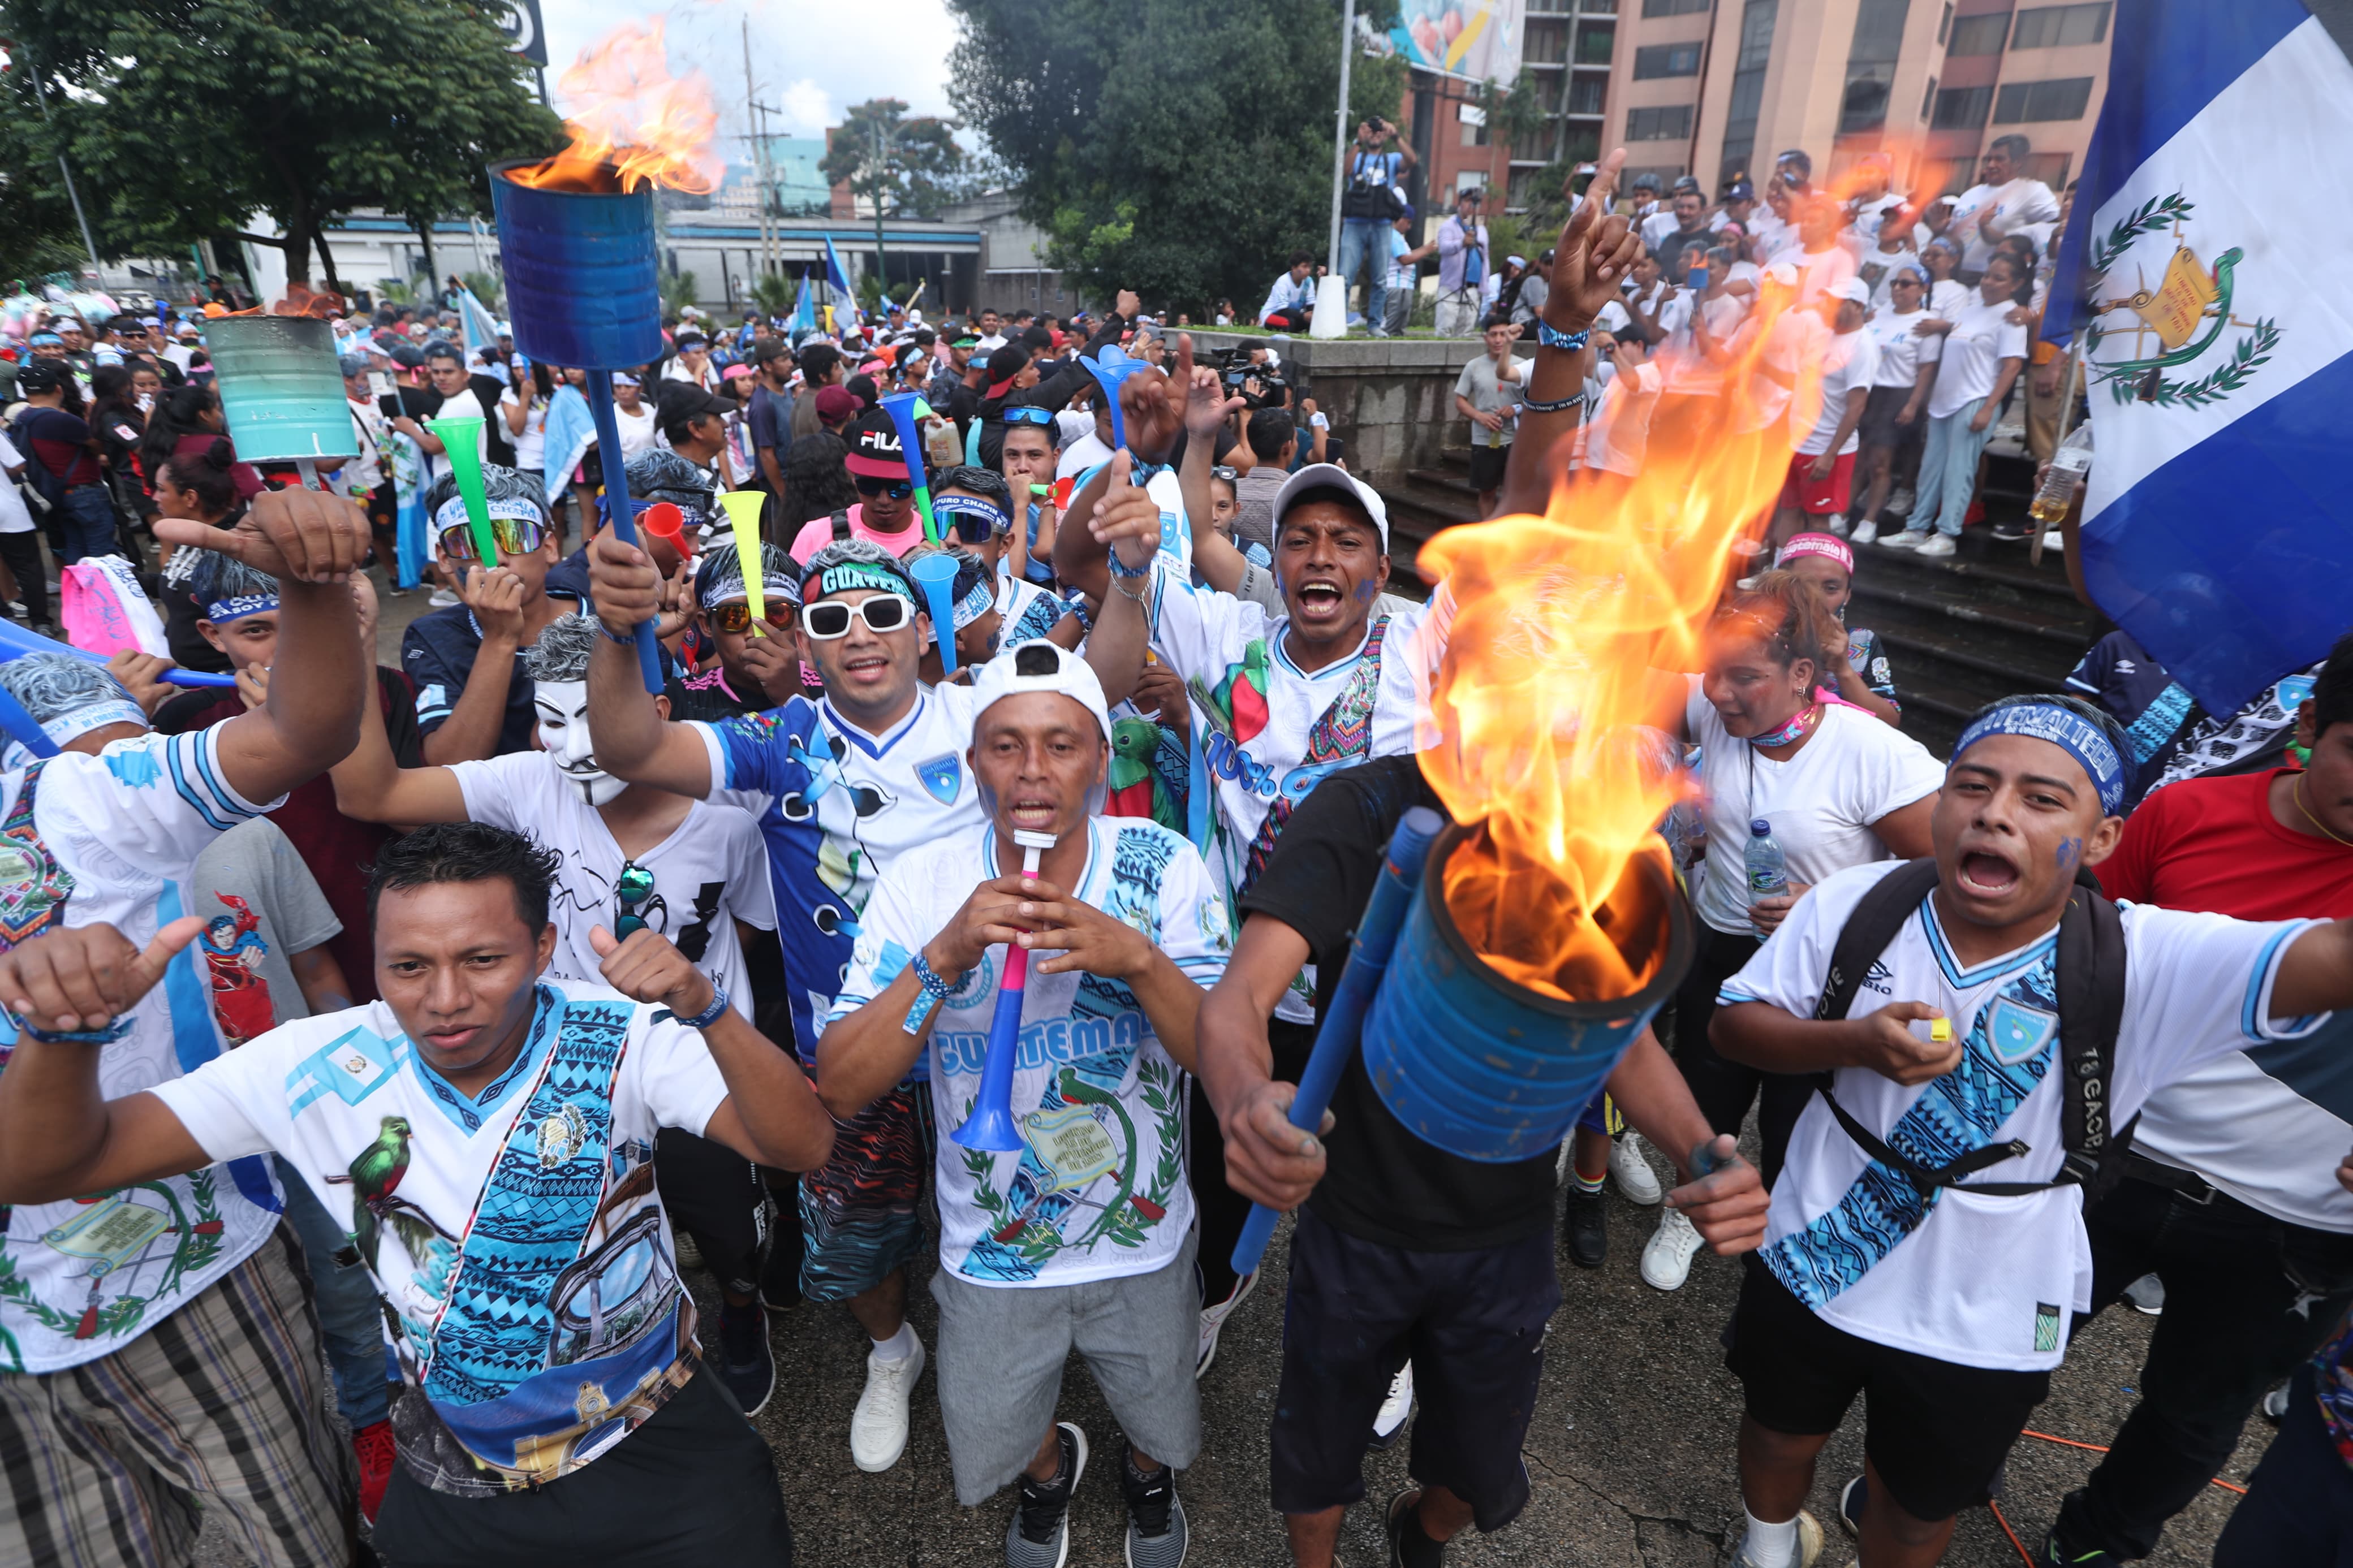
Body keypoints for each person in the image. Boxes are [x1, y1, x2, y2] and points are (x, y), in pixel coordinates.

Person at [0, 822, 836, 1565]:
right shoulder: (305, 1065)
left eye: (483, 959)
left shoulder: (625, 1032)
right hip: (456, 1476)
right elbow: (50, 1168)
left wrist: (708, 1006)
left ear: (544, 948)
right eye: (408, 966)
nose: (444, 1000)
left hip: (660, 1440)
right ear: (374, 959)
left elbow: (799, 1143)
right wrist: (64, 1040)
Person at [1708, 692, 2353, 1568]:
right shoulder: (1856, 904)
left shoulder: (2152, 957)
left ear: (2103, 839)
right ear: (1939, 804)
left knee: (1918, 1503)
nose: (1997, 813)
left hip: (1991, 1302)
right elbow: (1736, 1024)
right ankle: (1766, 1547)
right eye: (1972, 785)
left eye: (2044, 799)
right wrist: (1852, 1042)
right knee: (1778, 1434)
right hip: (1816, 1243)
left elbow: (2334, 960)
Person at [577, 529, 1148, 1474]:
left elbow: (1104, 684)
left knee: (1040, 1199)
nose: (860, 632)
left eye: (883, 611)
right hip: (851, 1048)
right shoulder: (779, 739)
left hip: (995, 1032)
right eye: (831, 618)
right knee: (853, 1231)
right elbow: (628, 742)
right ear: (806, 644)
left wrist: (1129, 572)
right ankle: (893, 1350)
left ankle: (1042, 1333)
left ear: (925, 629)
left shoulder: (978, 715)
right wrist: (614, 626)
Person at [1199, 747, 1770, 1568]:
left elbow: (1619, 1033)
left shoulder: (1593, 824)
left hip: (1503, 1230)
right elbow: (1241, 996)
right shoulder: (1369, 806)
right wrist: (1246, 1097)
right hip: (1358, 1214)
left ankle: (1419, 1530)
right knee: (1318, 1448)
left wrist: (1699, 1150)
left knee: (1480, 1468)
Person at [0, 487, 375, 1568]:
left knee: (300, 1540)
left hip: (196, 1273)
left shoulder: (68, 803)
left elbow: (300, 734)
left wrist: (306, 590)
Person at [817, 643, 1224, 1567]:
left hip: (1143, 1231)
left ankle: (1148, 1476)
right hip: (991, 1247)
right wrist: (945, 954)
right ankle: (1048, 1476)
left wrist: (1141, 960)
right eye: (1005, 745)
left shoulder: (1161, 863)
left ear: (1099, 756)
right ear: (974, 763)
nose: (1034, 771)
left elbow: (1223, 1060)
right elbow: (843, 1083)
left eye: (1062, 744)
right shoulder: (922, 882)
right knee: (997, 1411)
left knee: (1158, 1394)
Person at [330, 612, 786, 1415]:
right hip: (571, 1072)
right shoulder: (526, 785)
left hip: (695, 1067)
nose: (573, 746)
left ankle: (743, 1310)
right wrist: (342, 633)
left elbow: (752, 928)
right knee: (590, 1228)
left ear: (659, 714)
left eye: (594, 719)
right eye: (550, 718)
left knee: (729, 1231)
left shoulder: (729, 818)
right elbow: (372, 792)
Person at [2028, 636, 2353, 1568]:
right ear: (2305, 726)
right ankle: (1942, 1473)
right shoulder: (2185, 812)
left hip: (2300, 1224)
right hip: (2111, 1155)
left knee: (2195, 1412)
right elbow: (2075, 958)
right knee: (2010, 1334)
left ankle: (2099, 1541)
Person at [1640, 573, 1943, 1294]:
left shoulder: (1869, 752)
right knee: (1703, 1098)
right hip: (1719, 949)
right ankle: (1688, 1213)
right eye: (1712, 672)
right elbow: (1600, 675)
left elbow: (1944, 870)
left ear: (1802, 675)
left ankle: (1779, 1248)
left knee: (1795, 1125)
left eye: (1743, 678)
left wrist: (1827, 900)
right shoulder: (1709, 705)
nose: (1717, 693)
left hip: (1819, 977)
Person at [154, 551, 422, 1004]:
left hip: (387, 924)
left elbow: (417, 822)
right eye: (256, 630)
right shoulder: (188, 721)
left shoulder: (386, 689)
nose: (288, 649)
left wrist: (307, 728)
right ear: (214, 635)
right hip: (262, 946)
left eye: (302, 623)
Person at [402, 461, 576, 762]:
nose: (495, 558)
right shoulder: (432, 637)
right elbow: (451, 767)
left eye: (515, 535)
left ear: (549, 547)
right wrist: (499, 638)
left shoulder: (599, 616)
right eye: (468, 541)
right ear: (444, 559)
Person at [1879, 251, 2029, 558]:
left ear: (2016, 284)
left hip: (1974, 401)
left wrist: (1988, 408)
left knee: (1959, 471)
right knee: (1931, 468)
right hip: (1943, 403)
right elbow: (1955, 331)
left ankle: (1947, 534)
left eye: (1999, 278)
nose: (1989, 282)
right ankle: (1916, 528)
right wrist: (1939, 325)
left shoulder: (2012, 318)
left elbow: (2012, 367)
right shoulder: (1970, 310)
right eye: (1988, 275)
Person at [1773, 278, 1877, 548]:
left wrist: (1830, 454)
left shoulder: (1862, 346)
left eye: (1834, 302)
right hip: (1798, 442)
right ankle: (1778, 575)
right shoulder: (1822, 335)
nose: (1826, 307)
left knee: (1818, 520)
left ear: (1856, 306)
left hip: (1825, 449)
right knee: (1790, 511)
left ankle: (1814, 585)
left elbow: (1857, 406)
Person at [1850, 262, 1940, 547]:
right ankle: (1841, 513)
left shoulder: (1926, 322)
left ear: (1922, 289)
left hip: (1898, 394)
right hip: (1870, 391)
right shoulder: (1878, 316)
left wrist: (1913, 404)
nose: (1898, 288)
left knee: (1880, 463)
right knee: (1858, 458)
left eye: (1906, 283)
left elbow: (1927, 369)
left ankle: (1870, 520)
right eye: (1895, 283)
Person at [1773, 534, 1900, 727]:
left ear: (1847, 596)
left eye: (1831, 588)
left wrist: (1843, 670)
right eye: (1805, 585)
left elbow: (1890, 723)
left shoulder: (1862, 641)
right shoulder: (1757, 636)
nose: (1816, 597)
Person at [10, 360, 118, 563]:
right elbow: (100, 446)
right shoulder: (63, 419)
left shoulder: (22, 417)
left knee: (75, 550)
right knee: (102, 555)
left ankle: (76, 593)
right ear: (58, 389)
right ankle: (101, 594)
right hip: (86, 494)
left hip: (58, 495)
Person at [1336, 115, 1416, 336]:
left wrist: (1396, 136)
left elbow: (1411, 161)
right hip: (1355, 224)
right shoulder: (1359, 156)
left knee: (1380, 278)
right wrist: (1357, 141)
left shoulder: (1390, 160)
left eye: (1379, 132)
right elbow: (1344, 171)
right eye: (1372, 131)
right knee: (1345, 275)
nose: (1375, 134)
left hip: (1382, 226)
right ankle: (1339, 321)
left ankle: (1374, 324)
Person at [1946, 135, 2061, 282]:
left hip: (1996, 282)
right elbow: (1952, 236)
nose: (1991, 165)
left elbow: (2057, 226)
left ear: (2018, 162)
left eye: (1999, 159)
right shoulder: (1970, 194)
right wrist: (1938, 229)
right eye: (1989, 159)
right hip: (1956, 277)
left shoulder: (2033, 191)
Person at [1453, 318, 1525, 517]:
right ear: (1486, 338)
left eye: (1503, 334)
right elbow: (1460, 400)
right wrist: (1480, 416)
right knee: (1487, 491)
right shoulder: (1474, 366)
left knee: (1515, 491)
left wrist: (1515, 408)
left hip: (1515, 438)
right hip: (1484, 439)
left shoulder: (1522, 366)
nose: (1498, 340)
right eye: (1493, 335)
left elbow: (1536, 399)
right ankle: (1487, 529)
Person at [0, 427, 55, 633]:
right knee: (29, 567)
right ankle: (41, 623)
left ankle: (5, 621)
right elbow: (18, 464)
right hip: (7, 507)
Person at [1435, 189, 1489, 338]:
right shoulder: (1449, 225)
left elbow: (1486, 257)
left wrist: (1485, 287)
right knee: (1445, 328)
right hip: (1451, 286)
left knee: (1466, 332)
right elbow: (1444, 248)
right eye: (1467, 200)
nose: (1471, 205)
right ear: (1459, 204)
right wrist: (1461, 243)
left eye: (1475, 201)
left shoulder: (1481, 228)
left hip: (1473, 288)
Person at [1259, 252, 1319, 331]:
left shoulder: (1309, 282)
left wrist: (1313, 315)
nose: (1308, 270)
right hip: (1272, 314)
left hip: (1294, 315)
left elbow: (1311, 304)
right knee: (1289, 323)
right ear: (1294, 268)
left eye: (1309, 267)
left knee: (1313, 322)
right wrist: (1303, 316)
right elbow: (1283, 310)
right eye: (1304, 267)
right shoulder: (1283, 282)